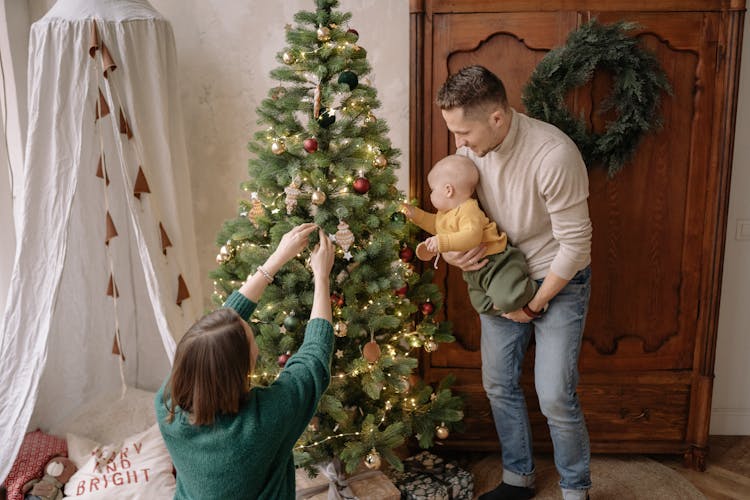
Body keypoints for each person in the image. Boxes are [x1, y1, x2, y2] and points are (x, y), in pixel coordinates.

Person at [436, 65, 592, 500]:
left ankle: (576, 489)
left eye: (463, 132)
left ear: (498, 119)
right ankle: (518, 479)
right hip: (499, 279)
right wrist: (452, 253)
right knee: (499, 384)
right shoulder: (469, 157)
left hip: (556, 279)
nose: (458, 144)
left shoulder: (553, 155)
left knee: (556, 396)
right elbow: (456, 218)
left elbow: (576, 246)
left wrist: (534, 304)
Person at [155, 222, 335, 500]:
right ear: (238, 373)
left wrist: (277, 258)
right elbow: (313, 359)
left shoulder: (168, 404)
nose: (257, 350)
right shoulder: (263, 420)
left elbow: (220, 328)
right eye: (253, 349)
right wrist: (321, 278)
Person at [402, 154, 538, 316]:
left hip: (496, 263)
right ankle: (505, 306)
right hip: (474, 271)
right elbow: (433, 224)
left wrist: (441, 242)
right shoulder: (444, 214)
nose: (430, 195)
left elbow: (471, 236)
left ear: (448, 190)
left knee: (506, 299)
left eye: (432, 190)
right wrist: (414, 214)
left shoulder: (469, 209)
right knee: (480, 303)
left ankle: (531, 291)